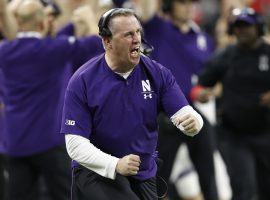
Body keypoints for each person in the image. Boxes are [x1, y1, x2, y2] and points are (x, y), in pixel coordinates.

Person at [61, 8, 203, 200]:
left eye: (137, 32)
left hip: (142, 172)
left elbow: (184, 114)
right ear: (107, 41)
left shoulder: (157, 73)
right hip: (97, 173)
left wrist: (194, 123)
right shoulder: (82, 80)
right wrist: (114, 164)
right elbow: (75, 145)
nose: (136, 39)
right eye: (128, 34)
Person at [0, 0, 103, 199]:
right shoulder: (53, 49)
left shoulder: (4, 52)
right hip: (50, 142)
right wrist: (91, 20)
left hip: (16, 143)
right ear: (42, 24)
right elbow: (95, 44)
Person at [128, 0, 218, 199]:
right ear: (169, 4)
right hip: (160, 113)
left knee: (209, 175)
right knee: (156, 177)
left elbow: (211, 77)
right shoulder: (157, 28)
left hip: (193, 110)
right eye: (182, 2)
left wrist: (206, 90)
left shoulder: (203, 39)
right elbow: (147, 9)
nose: (188, 7)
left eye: (191, 2)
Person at [192, 7, 270, 200]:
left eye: (246, 26)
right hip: (233, 135)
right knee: (244, 188)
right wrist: (201, 94)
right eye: (237, 27)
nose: (241, 31)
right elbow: (199, 85)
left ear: (259, 28)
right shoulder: (225, 55)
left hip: (265, 133)